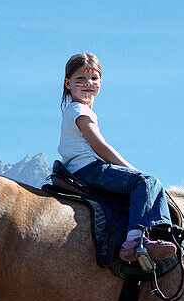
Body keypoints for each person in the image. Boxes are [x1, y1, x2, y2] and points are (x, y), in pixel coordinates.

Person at [57, 52, 176, 270]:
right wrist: (133, 170)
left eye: (93, 78)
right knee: (147, 182)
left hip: (79, 170)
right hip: (90, 169)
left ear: (100, 82)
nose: (88, 84)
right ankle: (137, 239)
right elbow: (100, 147)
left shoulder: (75, 110)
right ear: (68, 83)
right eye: (80, 79)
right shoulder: (79, 110)